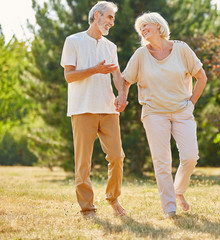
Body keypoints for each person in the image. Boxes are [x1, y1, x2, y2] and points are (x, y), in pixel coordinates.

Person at [115, 12, 207, 218]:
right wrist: (122, 97)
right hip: (154, 113)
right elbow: (126, 79)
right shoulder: (140, 54)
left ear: (159, 27)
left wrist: (191, 103)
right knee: (162, 161)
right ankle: (169, 208)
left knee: (191, 156)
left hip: (182, 111)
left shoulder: (181, 49)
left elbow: (201, 77)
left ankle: (179, 191)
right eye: (141, 28)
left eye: (146, 26)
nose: (143, 30)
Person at [60, 1, 126, 217]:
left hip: (108, 109)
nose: (112, 22)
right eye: (109, 17)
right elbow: (69, 76)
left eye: (113, 19)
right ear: (96, 15)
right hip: (82, 109)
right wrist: (95, 70)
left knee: (117, 156)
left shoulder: (110, 46)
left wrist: (122, 95)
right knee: (83, 163)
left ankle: (113, 199)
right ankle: (87, 208)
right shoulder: (73, 41)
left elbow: (117, 75)